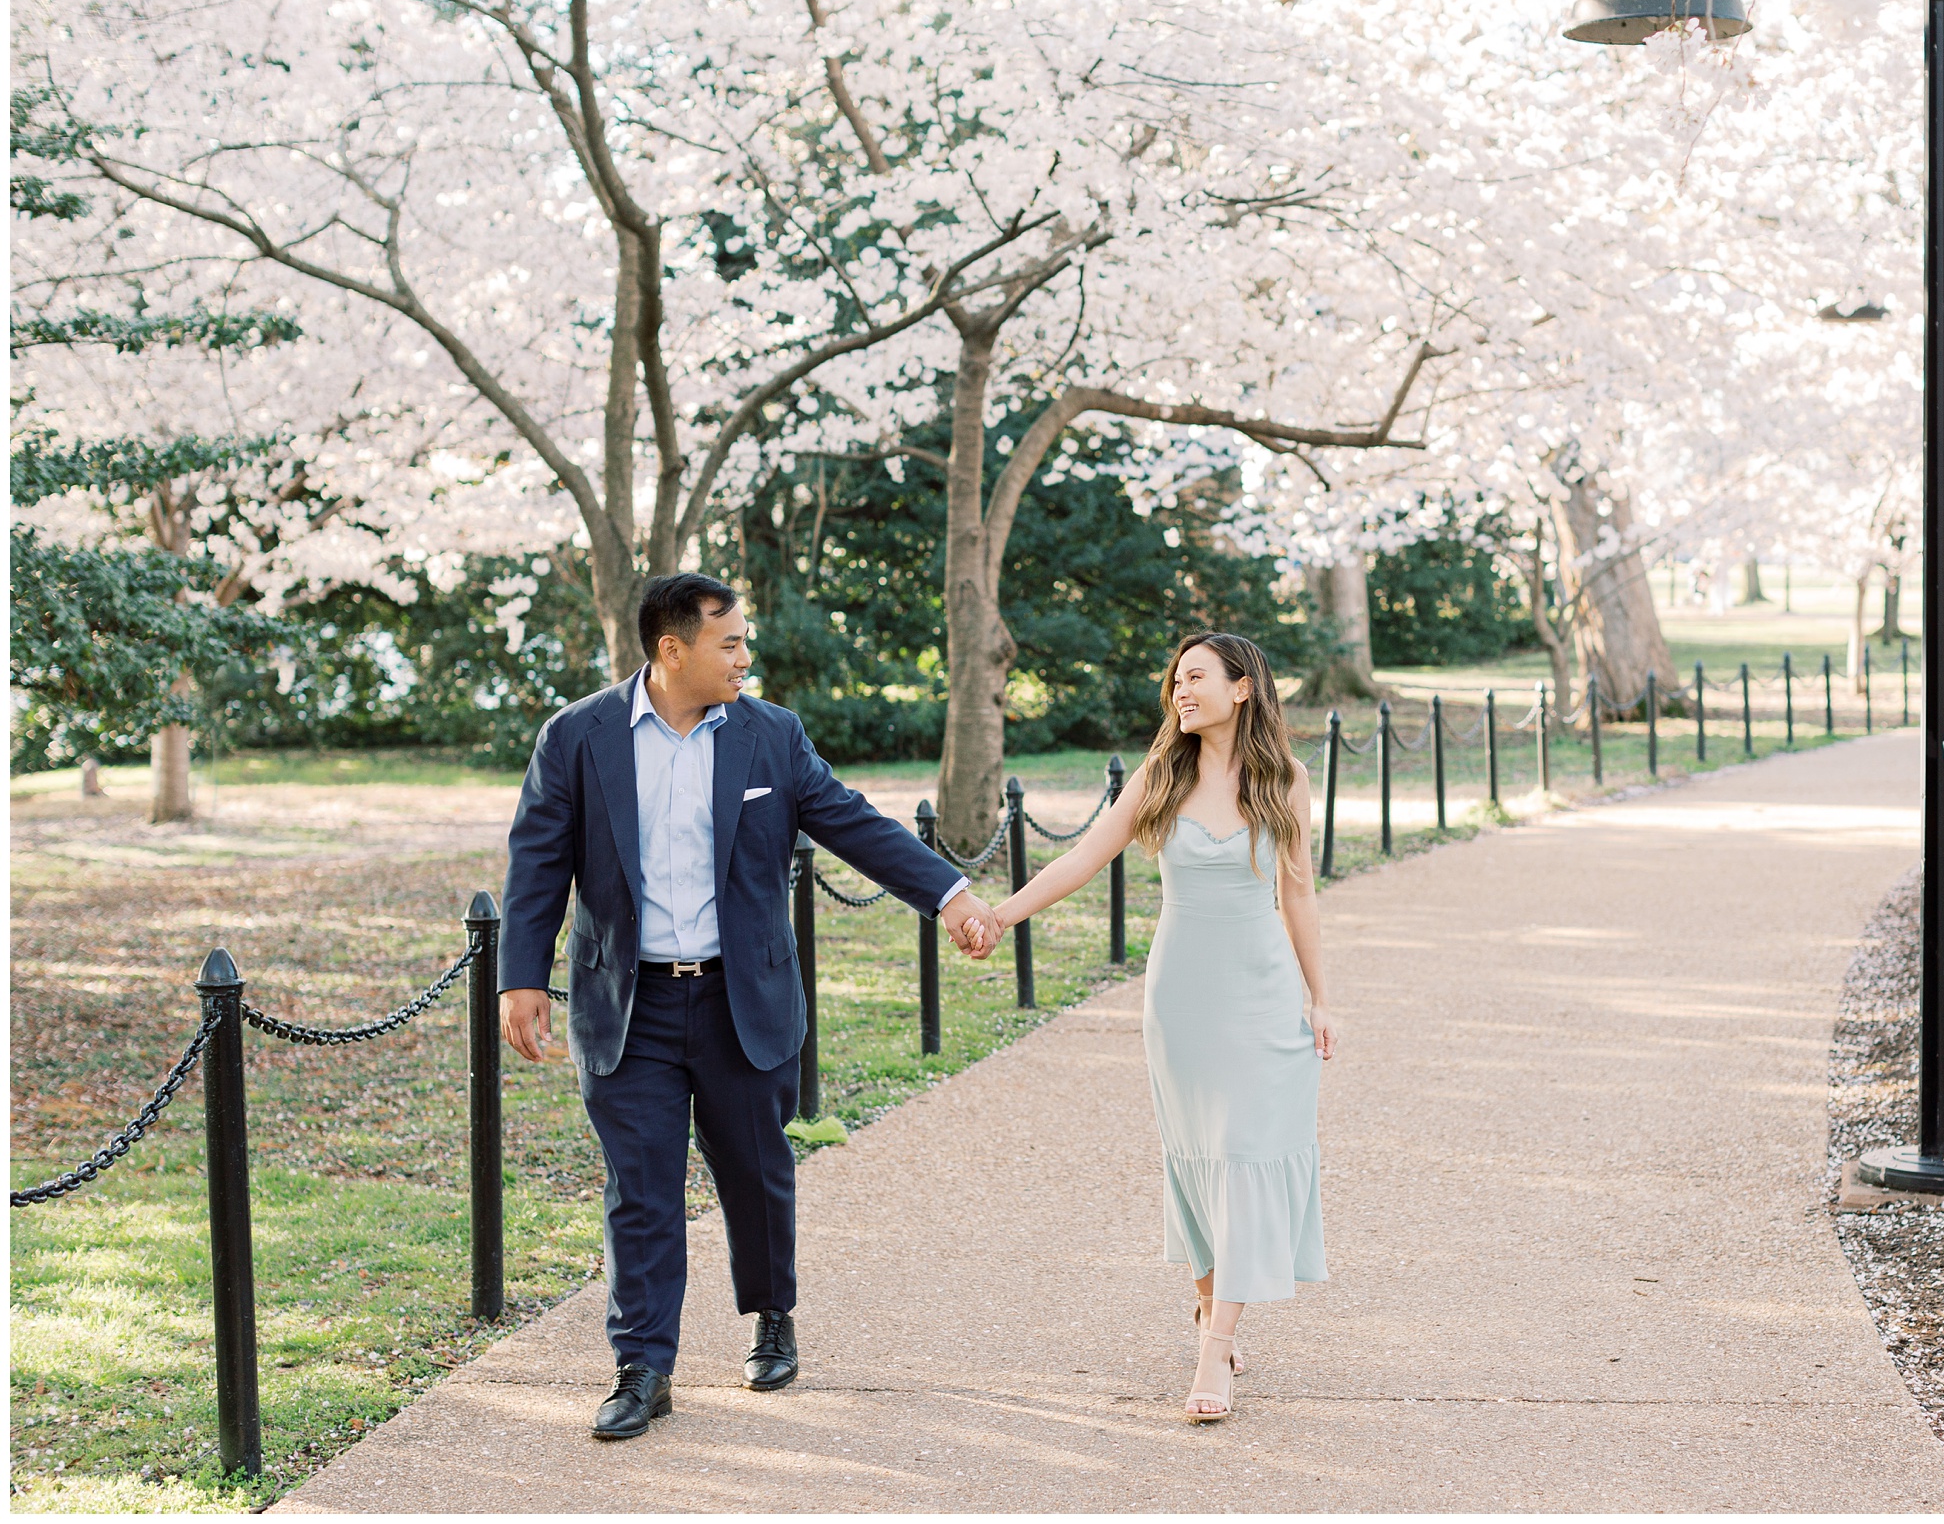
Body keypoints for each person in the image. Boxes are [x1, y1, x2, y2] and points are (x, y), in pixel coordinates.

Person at [497, 572, 1004, 1441]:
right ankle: (643, 1365)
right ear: (672, 649)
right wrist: (521, 974)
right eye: (728, 642)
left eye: (743, 640)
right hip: (629, 1004)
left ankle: (771, 1314)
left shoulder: (772, 735)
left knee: (756, 1173)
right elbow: (538, 859)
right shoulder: (577, 736)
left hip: (744, 996)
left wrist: (948, 892)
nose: (745, 655)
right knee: (641, 1191)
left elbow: (851, 819)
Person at [992, 631, 1333, 1423]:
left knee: (1246, 1156)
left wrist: (1321, 996)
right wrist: (1003, 914)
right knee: (1202, 1163)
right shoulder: (1161, 777)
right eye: (1176, 679)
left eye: (1197, 677)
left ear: (1242, 688)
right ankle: (1211, 1307)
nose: (1181, 691)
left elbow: (1301, 893)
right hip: (1182, 1001)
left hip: (1264, 998)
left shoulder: (1286, 779)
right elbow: (1083, 858)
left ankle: (1215, 1352)